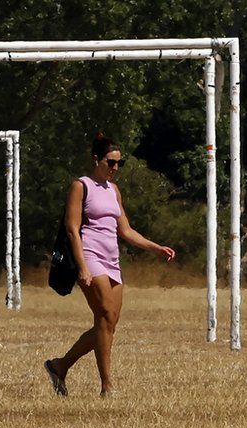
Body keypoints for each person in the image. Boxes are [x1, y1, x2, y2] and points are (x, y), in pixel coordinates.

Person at [44, 133, 176, 397]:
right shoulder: (81, 186)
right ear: (96, 159)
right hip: (90, 256)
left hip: (112, 260)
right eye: (111, 162)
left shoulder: (114, 191)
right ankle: (107, 386)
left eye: (119, 164)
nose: (115, 168)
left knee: (108, 325)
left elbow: (125, 230)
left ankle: (59, 365)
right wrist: (82, 267)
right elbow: (72, 229)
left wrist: (155, 247)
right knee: (104, 314)